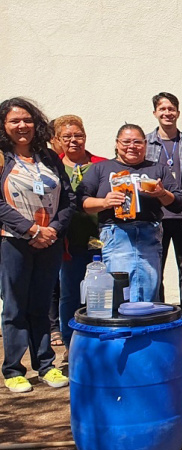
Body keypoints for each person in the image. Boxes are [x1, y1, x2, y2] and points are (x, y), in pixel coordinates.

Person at [0, 97, 76, 392]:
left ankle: (45, 365)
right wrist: (30, 229)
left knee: (42, 305)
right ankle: (13, 369)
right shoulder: (3, 157)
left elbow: (68, 199)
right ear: (4, 125)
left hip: (50, 241)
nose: (22, 126)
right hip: (13, 241)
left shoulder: (49, 157)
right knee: (15, 307)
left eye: (27, 120)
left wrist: (53, 229)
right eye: (14, 121)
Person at [77, 124, 182, 302]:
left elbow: (178, 203)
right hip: (116, 233)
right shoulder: (101, 168)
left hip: (149, 233)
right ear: (117, 144)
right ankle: (124, 328)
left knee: (149, 288)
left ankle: (145, 328)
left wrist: (161, 194)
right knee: (120, 290)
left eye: (137, 142)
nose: (131, 146)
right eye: (126, 142)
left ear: (145, 144)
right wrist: (104, 202)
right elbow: (81, 202)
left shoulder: (158, 169)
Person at [145, 92, 182, 331]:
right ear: (155, 113)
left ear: (178, 113)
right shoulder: (145, 142)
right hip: (155, 216)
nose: (167, 113)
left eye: (171, 109)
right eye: (162, 109)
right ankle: (157, 316)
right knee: (155, 268)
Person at [54, 115, 106, 353]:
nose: (74, 141)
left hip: (101, 240)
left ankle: (100, 341)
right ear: (58, 140)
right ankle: (70, 343)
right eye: (67, 137)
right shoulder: (51, 166)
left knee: (102, 293)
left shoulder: (101, 164)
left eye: (78, 136)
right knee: (70, 293)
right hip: (68, 242)